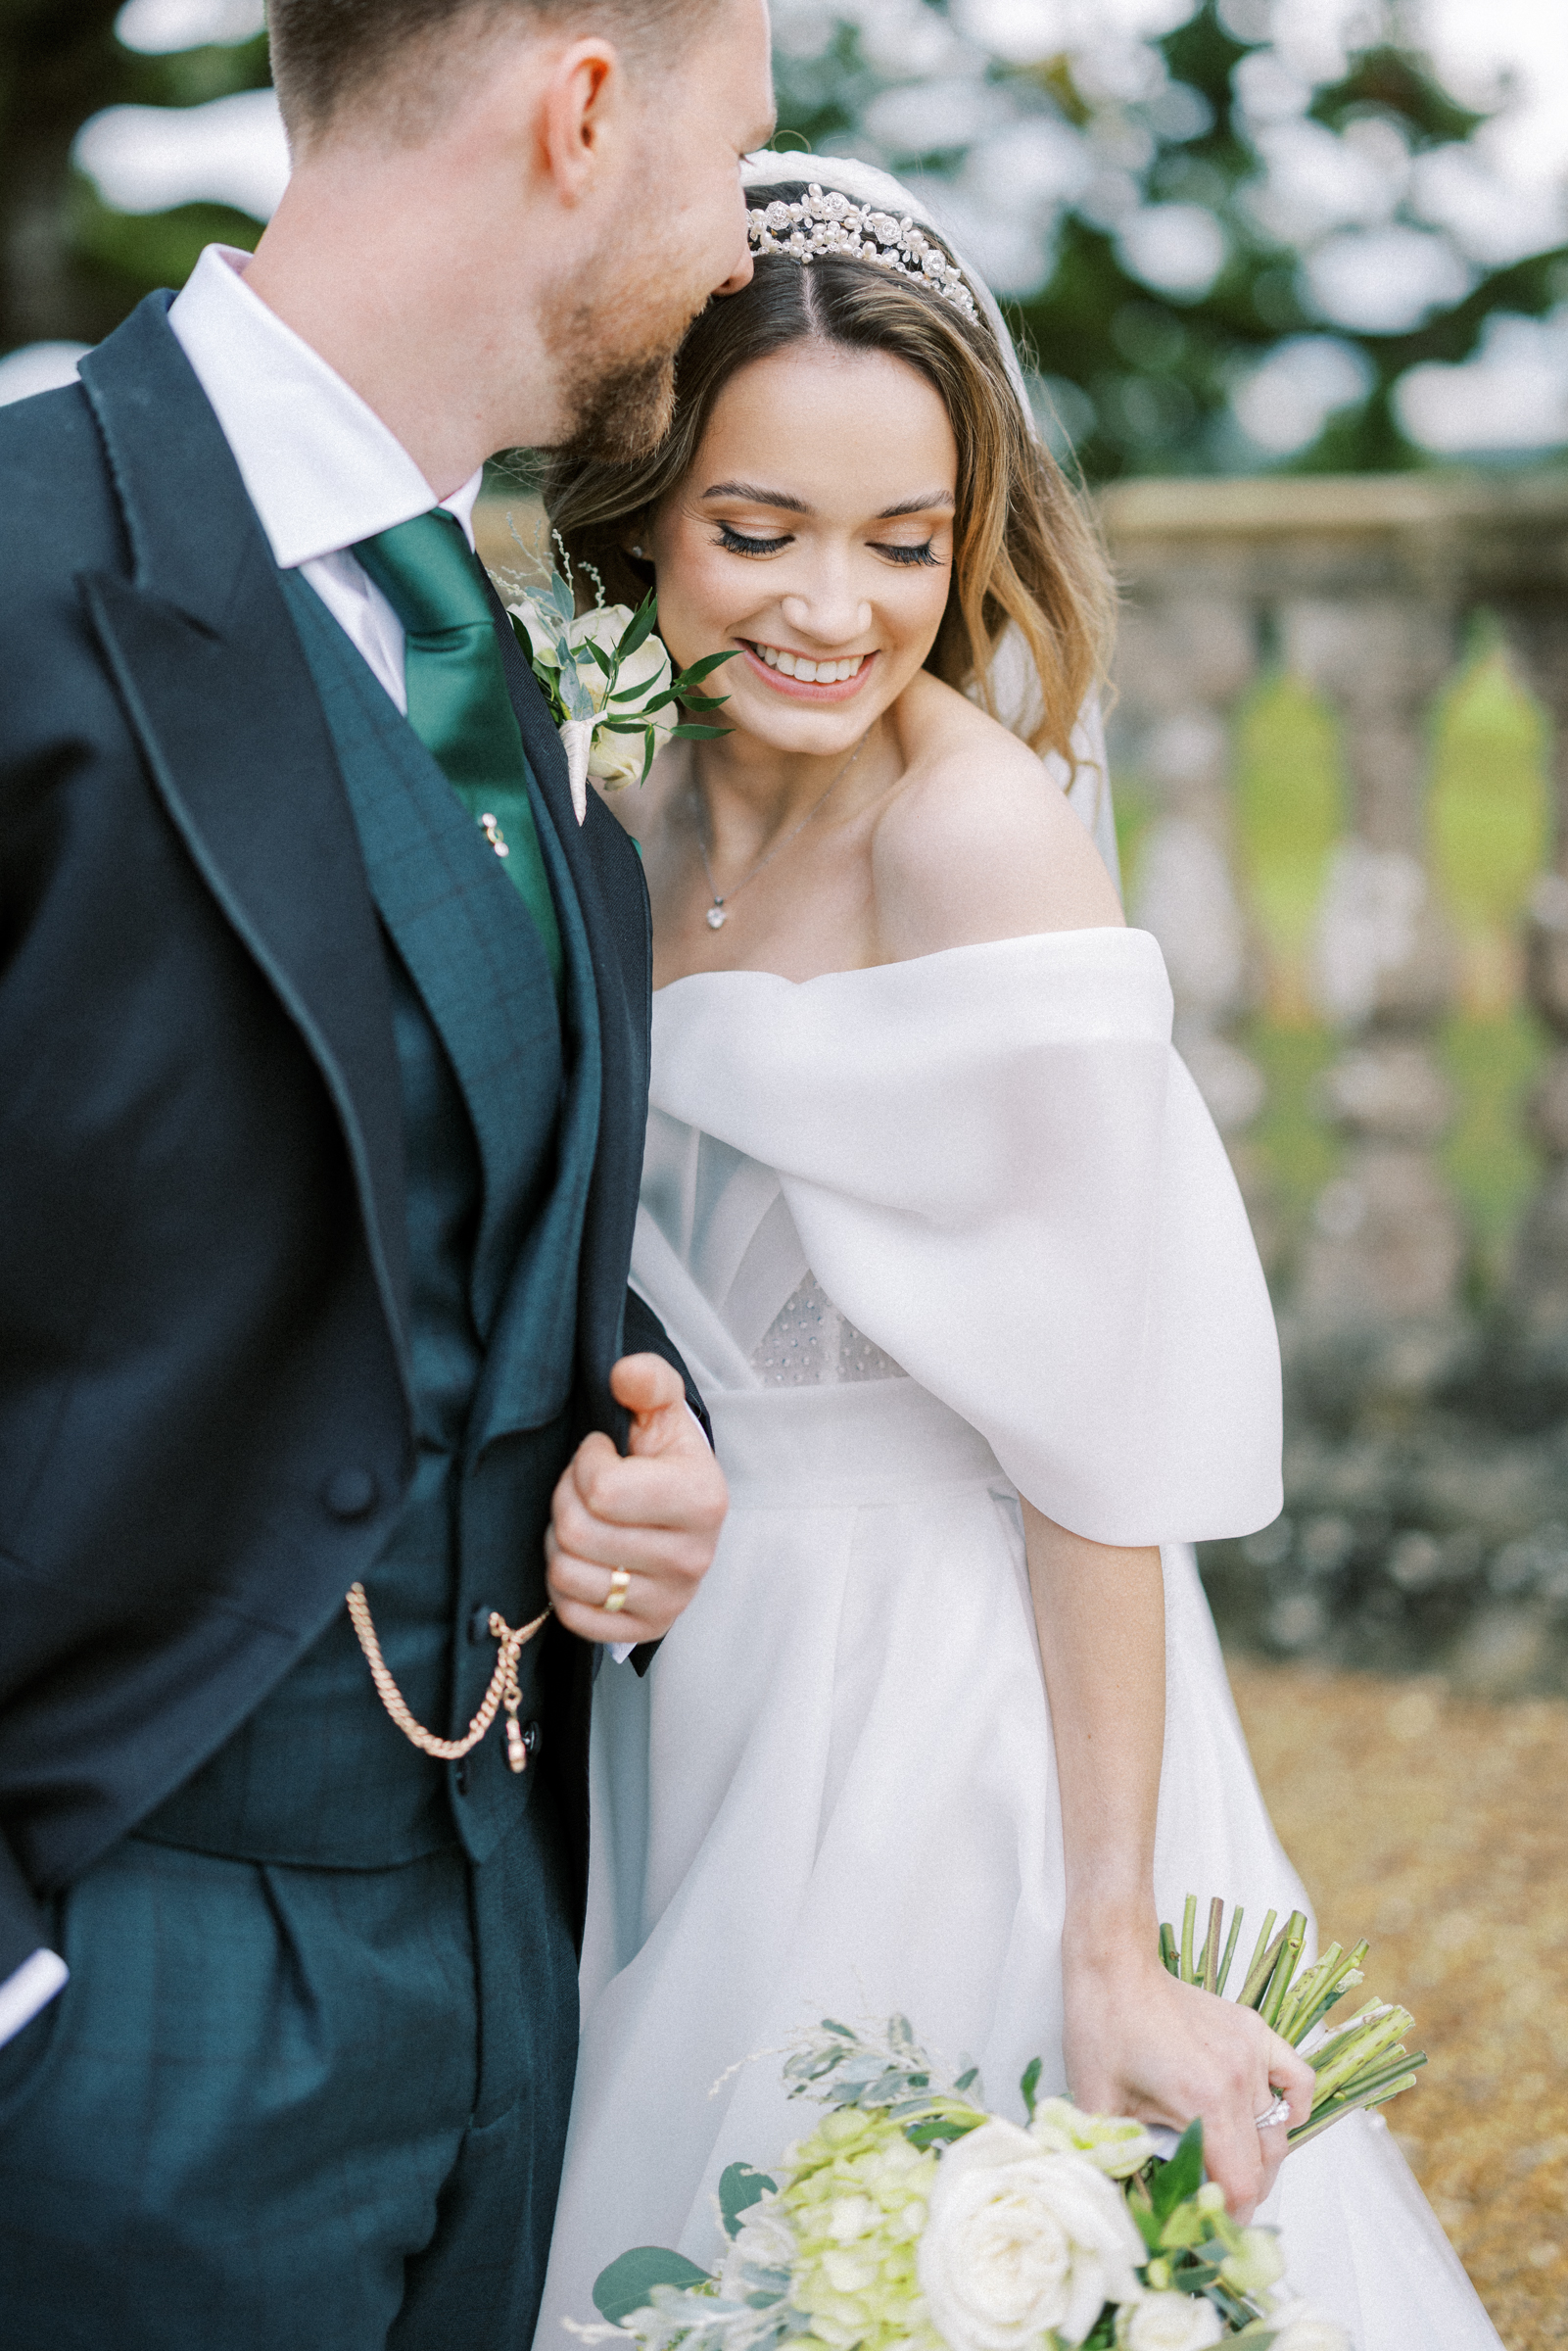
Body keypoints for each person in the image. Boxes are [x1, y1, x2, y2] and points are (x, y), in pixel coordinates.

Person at [532, 155, 1503, 2348]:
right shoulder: (615, 793)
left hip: (948, 1692)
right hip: (671, 1682)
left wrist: (1106, 1932)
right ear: (638, 517)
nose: (832, 612)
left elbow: (1098, 1434)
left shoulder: (979, 845)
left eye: (906, 543)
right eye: (755, 532)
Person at [0, 3, 775, 2344]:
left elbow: (428, 1157)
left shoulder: (468, 637)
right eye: (738, 161)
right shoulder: (23, 571)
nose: (742, 250)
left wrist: (637, 1433)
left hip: (491, 1987)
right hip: (116, 2015)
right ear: (584, 112)